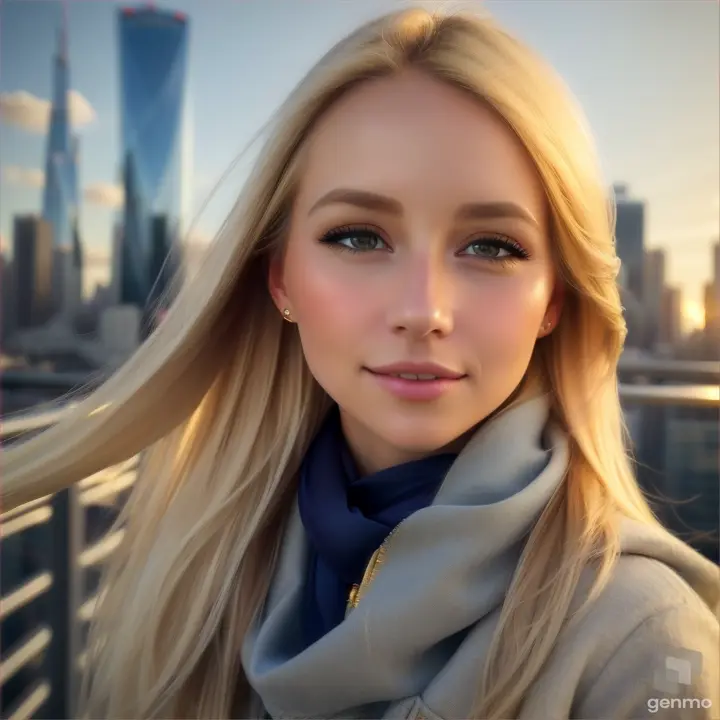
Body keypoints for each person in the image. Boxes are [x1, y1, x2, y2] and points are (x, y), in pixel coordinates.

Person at [3, 7, 718, 720]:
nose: (423, 310)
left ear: (553, 301)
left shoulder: (645, 642)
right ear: (281, 279)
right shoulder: (208, 564)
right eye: (358, 237)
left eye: (493, 246)